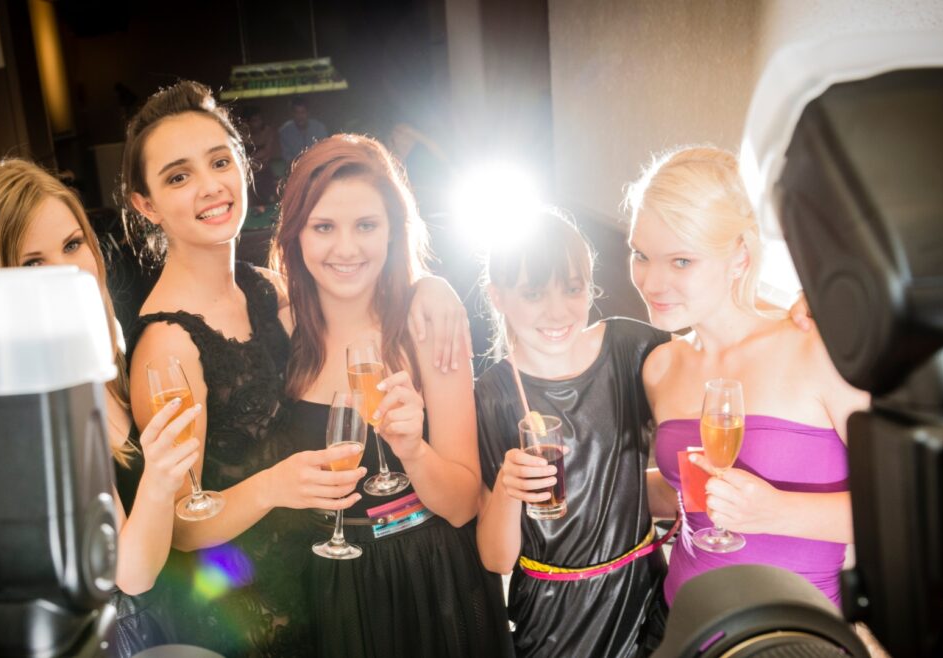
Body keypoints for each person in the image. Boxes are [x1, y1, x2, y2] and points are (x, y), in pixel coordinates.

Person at [119, 82, 471, 656]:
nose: (210, 186)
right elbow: (178, 525)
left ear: (242, 165)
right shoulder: (166, 345)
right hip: (252, 610)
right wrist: (273, 487)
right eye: (178, 176)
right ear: (146, 205)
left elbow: (355, 291)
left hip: (330, 588)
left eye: (219, 162)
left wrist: (429, 286)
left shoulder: (268, 291)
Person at [269, 133, 514, 658]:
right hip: (326, 584)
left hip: (430, 578)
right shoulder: (278, 331)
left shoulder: (426, 324)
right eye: (324, 227)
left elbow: (463, 505)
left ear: (393, 230)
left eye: (366, 225)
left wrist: (414, 451)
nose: (347, 249)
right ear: (296, 233)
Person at [0, 158, 202, 656]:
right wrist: (159, 477)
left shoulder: (103, 359)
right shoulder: (33, 400)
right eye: (32, 263)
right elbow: (130, 574)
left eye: (72, 245)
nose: (68, 272)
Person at [626, 146, 868, 609]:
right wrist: (589, 479)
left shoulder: (814, 348)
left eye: (681, 261)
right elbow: (686, 496)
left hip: (793, 628)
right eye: (641, 255)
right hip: (684, 618)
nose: (652, 282)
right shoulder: (661, 367)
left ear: (739, 256)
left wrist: (778, 511)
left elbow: (908, 507)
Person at [473, 208, 671, 657]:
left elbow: (712, 363)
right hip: (553, 619)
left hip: (644, 598)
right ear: (497, 296)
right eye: (533, 293)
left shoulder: (630, 348)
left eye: (573, 288)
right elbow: (496, 559)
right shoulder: (492, 395)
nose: (557, 311)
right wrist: (508, 488)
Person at [278, 95, 329, 164]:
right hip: (296, 167)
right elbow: (287, 157)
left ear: (308, 113)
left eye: (303, 112)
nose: (300, 116)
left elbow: (324, 152)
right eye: (297, 113)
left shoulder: (320, 128)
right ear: (292, 113)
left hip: (317, 164)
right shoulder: (285, 132)